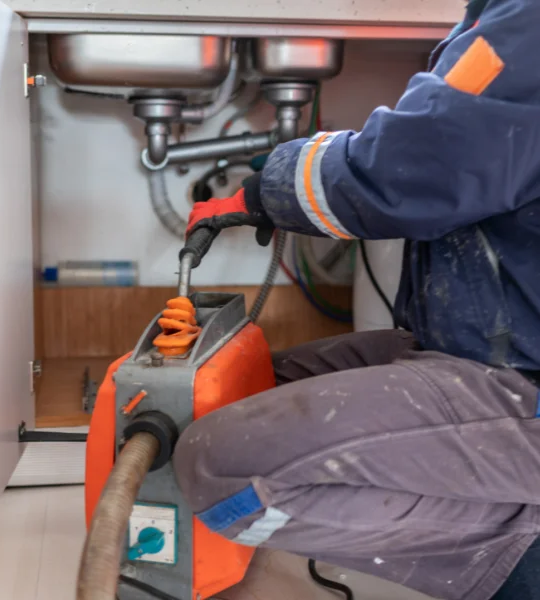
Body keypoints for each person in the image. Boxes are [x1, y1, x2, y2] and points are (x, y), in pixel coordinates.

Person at [173, 1, 540, 599]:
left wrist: (273, 186)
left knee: (221, 464)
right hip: (494, 346)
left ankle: (516, 551)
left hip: (525, 372)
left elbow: (422, 167)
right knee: (241, 386)